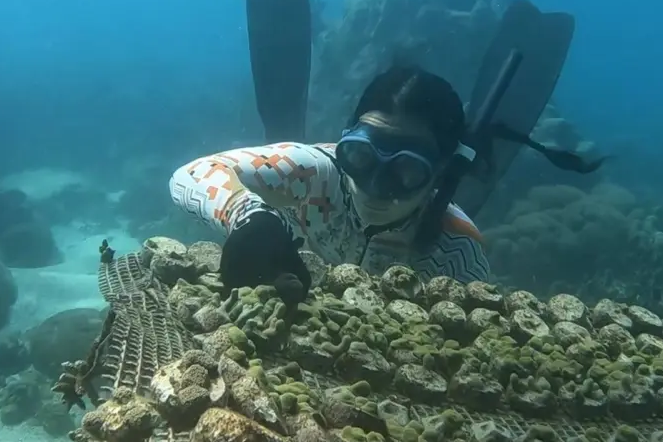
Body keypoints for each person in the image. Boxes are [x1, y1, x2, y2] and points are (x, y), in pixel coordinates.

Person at [169, 65, 490, 301]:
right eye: (362, 156)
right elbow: (193, 173)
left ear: (442, 169)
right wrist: (250, 216)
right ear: (344, 142)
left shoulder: (458, 249)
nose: (375, 185)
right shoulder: (313, 172)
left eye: (406, 169)